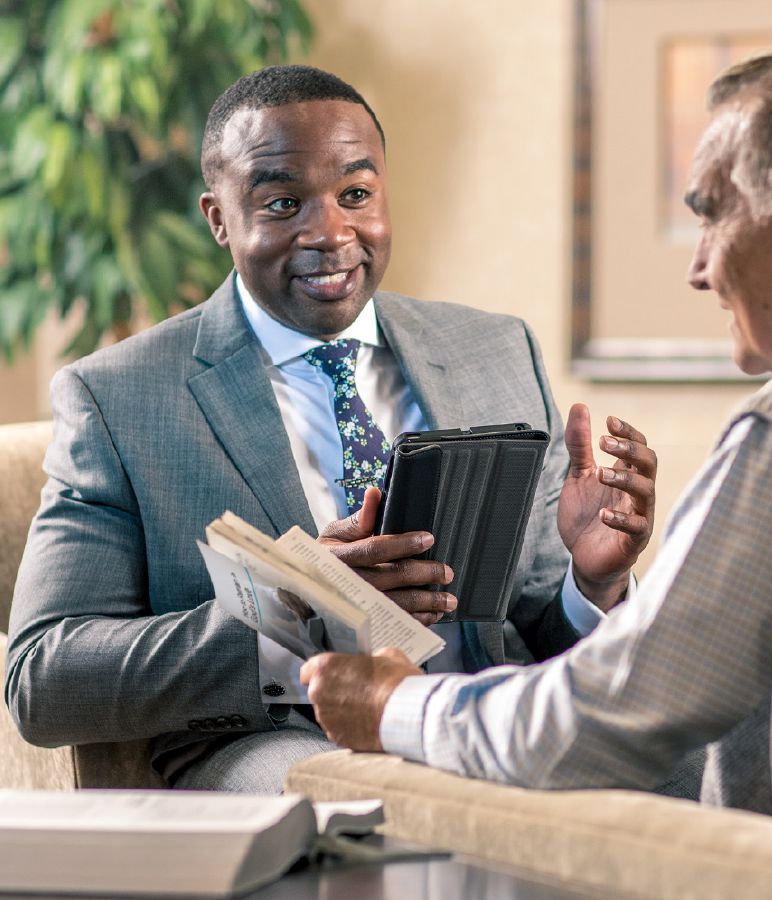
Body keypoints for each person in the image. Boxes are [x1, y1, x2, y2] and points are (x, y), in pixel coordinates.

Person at [4, 65, 656, 793]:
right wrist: (298, 604)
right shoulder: (119, 398)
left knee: (695, 763)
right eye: (283, 203)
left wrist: (592, 583)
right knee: (377, 806)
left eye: (355, 194)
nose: (330, 232)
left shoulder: (497, 350)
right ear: (218, 217)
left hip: (490, 717)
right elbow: (43, 676)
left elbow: (536, 629)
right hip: (284, 745)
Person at [300, 51, 772, 814]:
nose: (699, 266)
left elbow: (613, 710)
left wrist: (395, 708)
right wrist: (597, 585)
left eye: (712, 213)